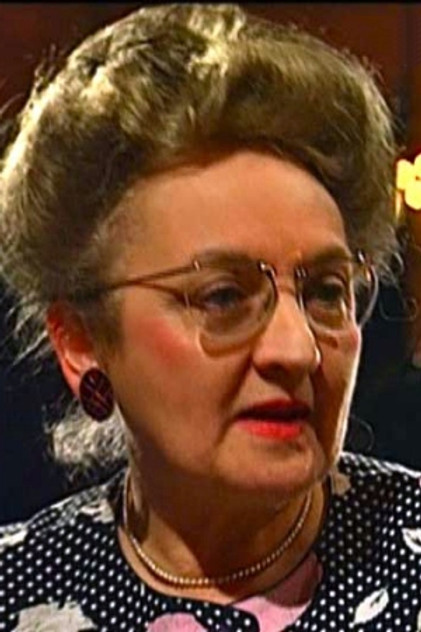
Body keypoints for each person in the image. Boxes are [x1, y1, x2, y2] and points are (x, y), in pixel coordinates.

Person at [0, 4, 420, 630]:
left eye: (326, 292)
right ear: (81, 341)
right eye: (223, 297)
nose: (297, 349)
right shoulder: (17, 589)